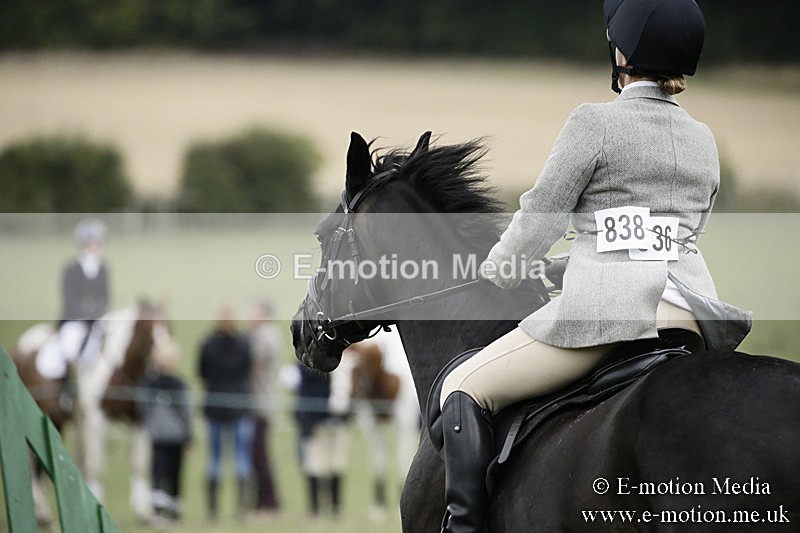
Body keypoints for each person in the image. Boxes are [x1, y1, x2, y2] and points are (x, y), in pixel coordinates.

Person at [437, 2, 749, 531]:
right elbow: (669, 235)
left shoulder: (594, 122)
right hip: (690, 315)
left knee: (462, 388)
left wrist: (502, 268)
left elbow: (541, 213)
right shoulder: (703, 139)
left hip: (613, 317)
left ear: (622, 52)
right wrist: (567, 265)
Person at [197, 305, 254, 521]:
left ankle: (212, 512)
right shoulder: (243, 343)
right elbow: (247, 370)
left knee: (215, 460)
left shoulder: (207, 344)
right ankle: (241, 510)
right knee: (241, 458)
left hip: (214, 405)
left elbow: (201, 372)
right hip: (239, 404)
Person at [135, 338, 192, 524]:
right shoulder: (179, 384)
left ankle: (159, 511)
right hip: (175, 436)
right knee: (174, 473)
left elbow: (142, 408)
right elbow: (186, 412)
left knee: (159, 472)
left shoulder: (149, 383)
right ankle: (172, 512)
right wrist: (188, 435)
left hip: (158, 435)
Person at [247, 300, 281, 516]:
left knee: (259, 454)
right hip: (260, 402)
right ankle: (263, 501)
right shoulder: (264, 334)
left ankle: (268, 503)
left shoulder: (264, 336)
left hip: (261, 403)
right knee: (257, 454)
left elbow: (254, 364)